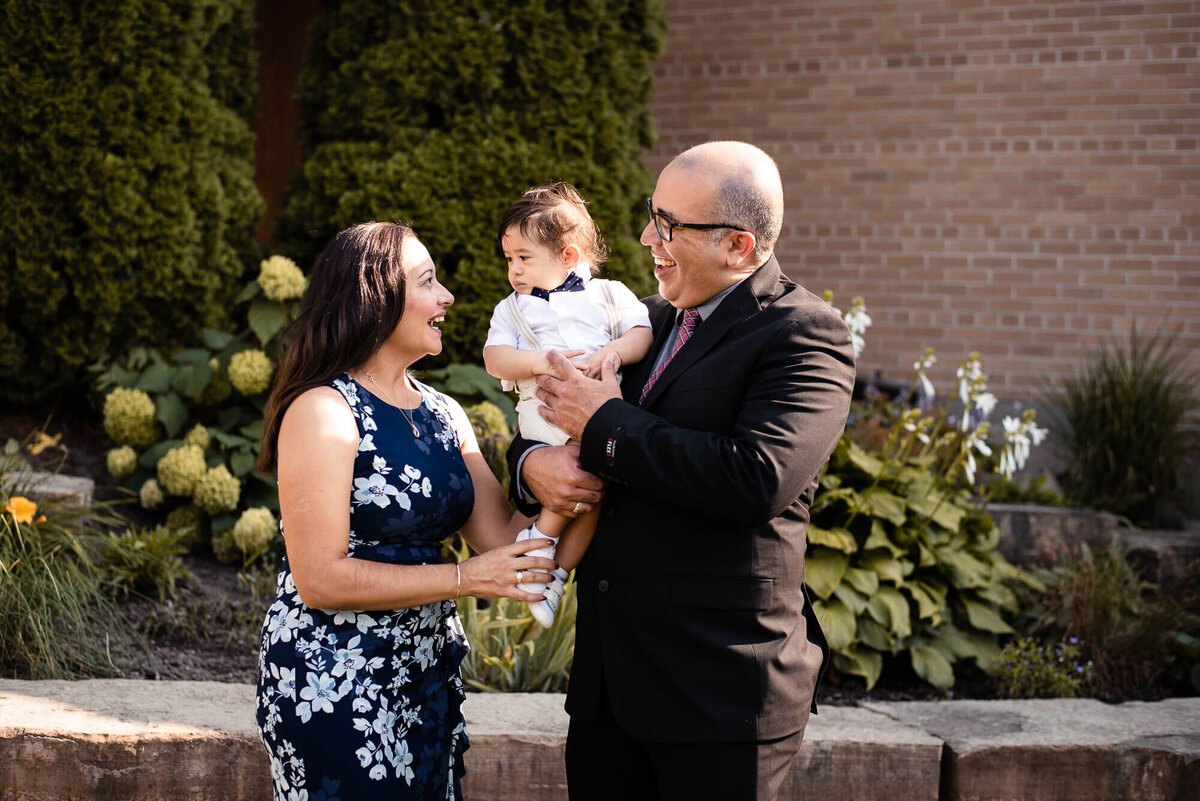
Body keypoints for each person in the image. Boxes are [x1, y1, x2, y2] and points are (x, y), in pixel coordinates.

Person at [507, 142, 857, 799]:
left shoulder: (805, 335)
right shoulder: (644, 321)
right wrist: (535, 464)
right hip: (609, 696)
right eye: (651, 214)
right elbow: (546, 424)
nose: (646, 237)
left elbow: (757, 477)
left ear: (738, 245)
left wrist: (602, 424)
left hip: (719, 701)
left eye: (669, 225)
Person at [254, 222, 557, 800]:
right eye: (428, 281)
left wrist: (581, 465)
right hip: (333, 677)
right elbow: (319, 578)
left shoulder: (445, 413)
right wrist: (463, 580)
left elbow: (508, 542)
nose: (446, 297)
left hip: (424, 671)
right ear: (373, 299)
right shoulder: (324, 410)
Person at [483, 181, 652, 627]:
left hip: (600, 416)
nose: (514, 270)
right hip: (543, 417)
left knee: (594, 496)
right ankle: (540, 547)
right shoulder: (513, 310)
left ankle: (553, 572)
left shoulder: (609, 295)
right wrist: (538, 360)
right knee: (577, 476)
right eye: (509, 260)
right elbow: (494, 358)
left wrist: (613, 353)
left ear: (569, 257)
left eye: (524, 258)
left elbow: (641, 334)